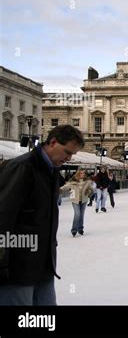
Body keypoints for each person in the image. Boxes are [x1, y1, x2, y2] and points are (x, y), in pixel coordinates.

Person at [0, 125, 84, 305]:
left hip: (43, 265)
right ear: (52, 142)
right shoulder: (22, 167)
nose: (69, 158)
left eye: (72, 155)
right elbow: (3, 216)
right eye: (67, 152)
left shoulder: (51, 170)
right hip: (17, 268)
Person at [60, 169, 93, 237]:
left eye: (83, 173)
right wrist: (59, 189)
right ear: (78, 174)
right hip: (75, 200)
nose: (83, 174)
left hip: (84, 200)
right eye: (81, 173)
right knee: (77, 214)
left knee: (81, 215)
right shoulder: (73, 182)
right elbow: (65, 187)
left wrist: (89, 192)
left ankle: (80, 228)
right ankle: (74, 229)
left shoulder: (87, 182)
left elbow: (91, 190)